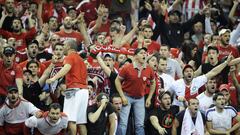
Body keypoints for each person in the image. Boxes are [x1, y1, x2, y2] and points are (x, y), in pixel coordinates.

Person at [46, 39, 88, 135]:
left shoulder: (70, 56)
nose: (63, 47)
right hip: (84, 91)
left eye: (64, 45)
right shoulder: (81, 59)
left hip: (74, 90)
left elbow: (66, 68)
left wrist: (53, 78)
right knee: (81, 122)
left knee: (71, 120)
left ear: (69, 47)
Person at [115, 47, 156, 135]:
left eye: (145, 53)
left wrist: (149, 98)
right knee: (123, 123)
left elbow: (153, 83)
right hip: (127, 96)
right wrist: (122, 96)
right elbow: (117, 81)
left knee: (140, 125)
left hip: (140, 98)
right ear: (136, 56)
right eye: (141, 53)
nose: (144, 54)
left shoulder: (149, 69)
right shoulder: (127, 68)